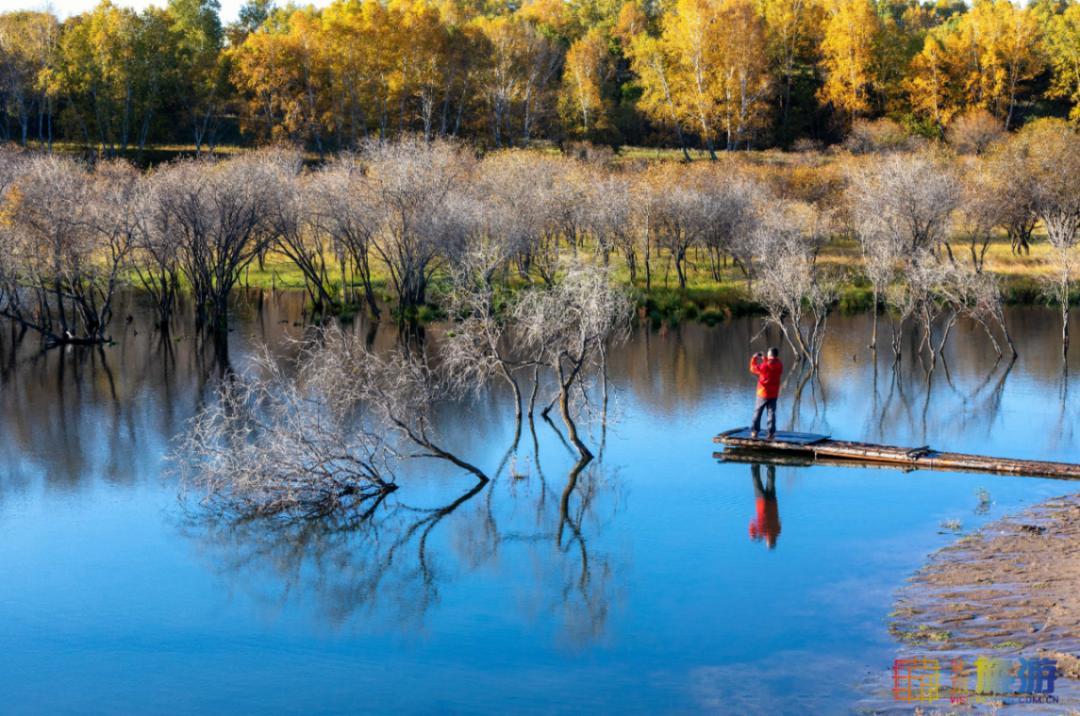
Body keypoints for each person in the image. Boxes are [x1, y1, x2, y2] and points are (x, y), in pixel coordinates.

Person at [748, 347, 783, 440]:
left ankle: (754, 432)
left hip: (763, 393)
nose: (766, 355)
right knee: (771, 413)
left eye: (767, 354)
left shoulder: (764, 366)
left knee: (758, 412)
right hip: (774, 394)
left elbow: (753, 368)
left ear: (770, 355)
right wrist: (765, 359)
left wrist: (754, 358)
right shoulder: (779, 365)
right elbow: (771, 365)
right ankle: (771, 433)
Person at [748, 463, 781, 549]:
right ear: (770, 541)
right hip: (763, 503)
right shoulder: (765, 533)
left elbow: (778, 522)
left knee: (770, 481)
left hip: (769, 502)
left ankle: (770, 465)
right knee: (757, 481)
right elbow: (752, 526)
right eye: (768, 541)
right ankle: (756, 465)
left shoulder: (777, 532)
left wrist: (756, 535)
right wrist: (753, 536)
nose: (768, 540)